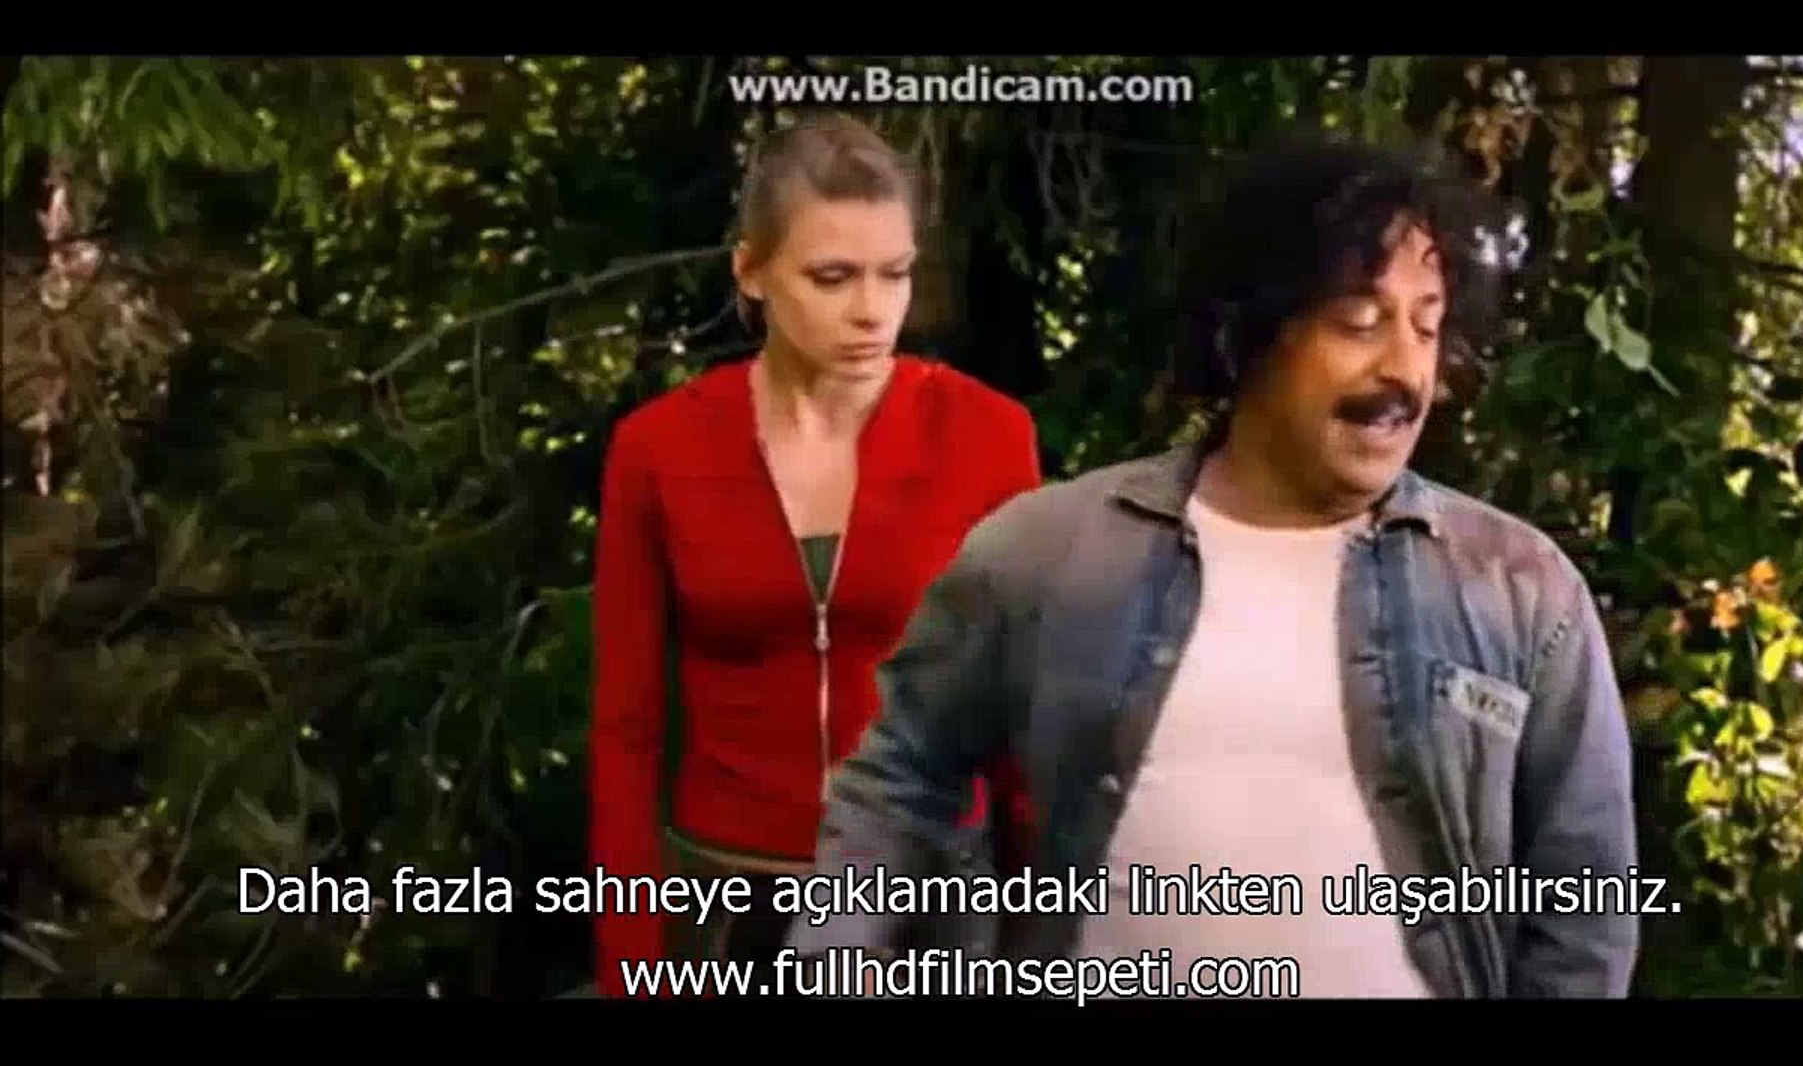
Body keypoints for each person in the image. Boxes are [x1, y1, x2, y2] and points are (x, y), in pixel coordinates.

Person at [787, 128, 1640, 999]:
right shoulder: (1051, 554)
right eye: (1358, 322)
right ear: (1246, 336)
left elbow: (1585, 912)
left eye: (1426, 326)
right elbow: (899, 781)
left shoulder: (1518, 589)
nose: (1403, 370)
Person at [587, 112, 1041, 997]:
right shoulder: (659, 448)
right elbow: (626, 730)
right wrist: (629, 961)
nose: (872, 310)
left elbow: (1019, 711)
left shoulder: (988, 435)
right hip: (726, 899)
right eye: (832, 277)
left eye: (894, 273)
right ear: (752, 272)